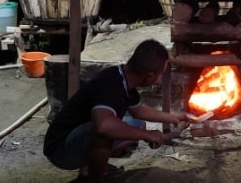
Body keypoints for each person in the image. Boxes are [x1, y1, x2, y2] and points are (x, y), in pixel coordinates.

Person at [43, 39, 190, 182]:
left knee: (137, 124)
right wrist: (147, 135)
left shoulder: (124, 77)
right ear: (150, 75)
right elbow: (103, 126)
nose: (158, 80)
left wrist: (174, 117)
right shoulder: (111, 86)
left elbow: (139, 111)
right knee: (105, 133)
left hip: (78, 136)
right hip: (60, 148)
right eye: (159, 75)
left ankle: (91, 165)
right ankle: (92, 176)